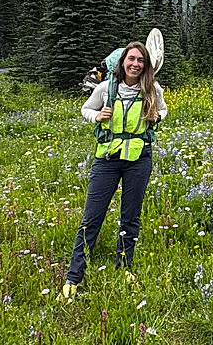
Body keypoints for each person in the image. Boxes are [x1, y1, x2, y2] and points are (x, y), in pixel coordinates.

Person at [61, 41, 167, 299]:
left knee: (130, 217)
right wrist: (96, 117)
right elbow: (86, 108)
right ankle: (74, 276)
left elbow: (163, 109)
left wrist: (157, 117)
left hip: (139, 159)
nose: (135, 64)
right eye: (131, 59)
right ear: (122, 63)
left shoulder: (152, 88)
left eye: (141, 61)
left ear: (146, 65)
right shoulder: (105, 88)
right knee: (91, 218)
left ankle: (124, 266)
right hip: (107, 159)